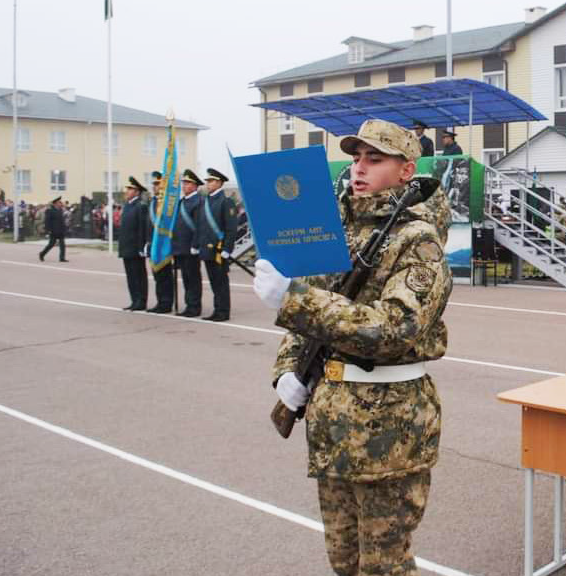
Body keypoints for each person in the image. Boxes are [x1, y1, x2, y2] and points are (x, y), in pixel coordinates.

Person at [253, 118, 451, 576]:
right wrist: (287, 369)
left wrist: (294, 300)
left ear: (406, 170)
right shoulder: (339, 229)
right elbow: (309, 313)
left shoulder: (417, 242)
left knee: (384, 566)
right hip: (333, 421)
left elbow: (395, 327)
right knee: (344, 560)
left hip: (389, 429)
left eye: (375, 159)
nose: (359, 168)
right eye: (357, 157)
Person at [197, 168, 238, 322]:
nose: (208, 184)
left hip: (219, 250)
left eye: (211, 181)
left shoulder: (226, 202)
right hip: (207, 250)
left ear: (220, 183)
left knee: (221, 282)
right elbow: (202, 227)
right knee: (214, 282)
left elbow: (231, 228)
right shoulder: (206, 202)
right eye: (207, 181)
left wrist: (227, 248)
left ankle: (223, 311)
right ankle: (217, 309)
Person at [173, 169, 204, 317]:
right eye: (183, 183)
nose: (184, 186)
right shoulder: (182, 202)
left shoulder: (198, 201)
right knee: (186, 278)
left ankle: (194, 306)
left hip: (191, 247)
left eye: (187, 183)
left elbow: (198, 225)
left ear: (195, 185)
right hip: (180, 247)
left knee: (193, 278)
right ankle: (189, 305)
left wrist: (195, 244)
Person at [119, 176, 150, 311]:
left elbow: (142, 228)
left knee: (139, 276)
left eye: (130, 189)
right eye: (128, 189)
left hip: (136, 247)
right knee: (130, 276)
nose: (127, 191)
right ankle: (134, 300)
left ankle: (141, 301)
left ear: (137, 192)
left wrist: (141, 246)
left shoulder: (140, 206)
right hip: (126, 247)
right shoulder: (127, 206)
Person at [146, 171, 174, 313]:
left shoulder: (168, 204)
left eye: (158, 184)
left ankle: (166, 302)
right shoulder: (152, 202)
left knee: (165, 276)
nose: (155, 187)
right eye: (154, 184)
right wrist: (147, 243)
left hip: (164, 245)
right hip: (154, 245)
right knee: (157, 276)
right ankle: (160, 301)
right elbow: (148, 225)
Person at [39, 197, 68, 262]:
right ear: (55, 203)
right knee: (51, 244)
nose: (61, 203)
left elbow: (62, 221)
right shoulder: (50, 210)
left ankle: (62, 258)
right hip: (53, 230)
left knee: (62, 245)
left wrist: (64, 228)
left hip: (60, 230)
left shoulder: (60, 210)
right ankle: (42, 254)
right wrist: (48, 230)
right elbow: (47, 221)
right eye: (59, 202)